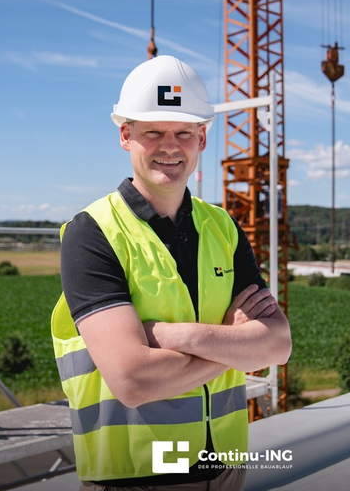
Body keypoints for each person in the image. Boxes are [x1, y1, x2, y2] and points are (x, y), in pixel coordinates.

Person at [51, 55, 292, 490]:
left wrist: (180, 336)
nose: (170, 146)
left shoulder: (223, 227)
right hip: (136, 476)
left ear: (202, 138)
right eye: (153, 132)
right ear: (126, 136)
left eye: (184, 132)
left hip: (226, 468)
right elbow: (133, 379)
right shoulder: (92, 234)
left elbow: (278, 345)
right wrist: (234, 342)